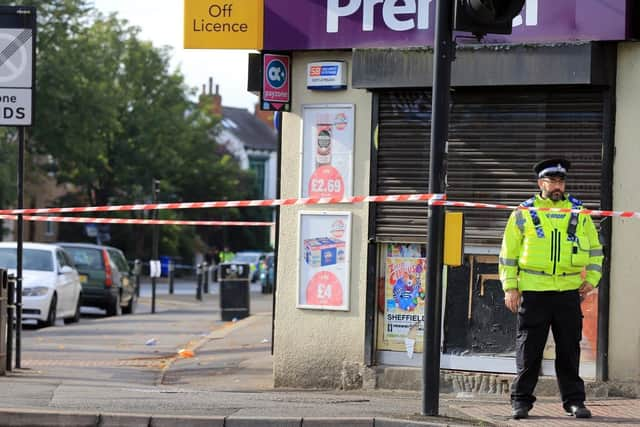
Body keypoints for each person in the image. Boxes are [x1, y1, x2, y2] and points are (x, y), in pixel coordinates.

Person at [499, 158, 603, 420]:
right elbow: (508, 254)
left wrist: (592, 278)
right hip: (534, 292)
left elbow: (595, 249)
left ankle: (574, 402)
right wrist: (510, 287)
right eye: (552, 180)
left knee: (569, 350)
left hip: (568, 292)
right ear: (540, 183)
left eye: (561, 181)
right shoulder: (523, 212)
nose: (557, 185)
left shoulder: (579, 212)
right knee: (529, 350)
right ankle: (521, 402)